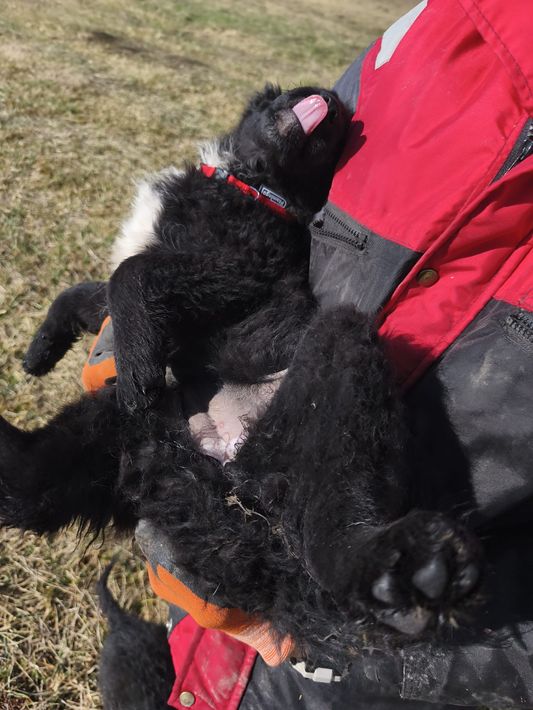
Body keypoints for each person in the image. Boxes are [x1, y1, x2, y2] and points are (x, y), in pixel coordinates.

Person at [98, 0, 533, 707]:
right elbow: (257, 192)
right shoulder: (466, 21)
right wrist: (132, 335)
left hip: (353, 666)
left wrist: (345, 638)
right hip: (208, 633)